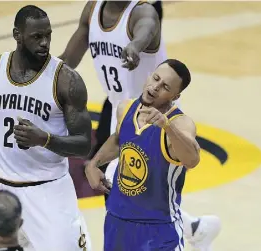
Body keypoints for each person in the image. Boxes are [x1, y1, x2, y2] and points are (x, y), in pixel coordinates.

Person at [60, 1, 220, 250]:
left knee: (129, 184)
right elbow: (68, 58)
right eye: (155, 78)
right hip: (121, 108)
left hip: (157, 115)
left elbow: (146, 29)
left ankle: (190, 229)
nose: (156, 82)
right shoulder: (94, 9)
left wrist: (134, 46)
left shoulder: (143, 12)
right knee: (126, 191)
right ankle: (196, 228)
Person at [0, 5, 92, 251]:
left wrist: (44, 139)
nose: (45, 43)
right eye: (37, 36)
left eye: (48, 35)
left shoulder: (66, 81)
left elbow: (84, 144)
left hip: (48, 189)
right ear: (17, 35)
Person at [86, 59, 198, 250]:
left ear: (175, 95)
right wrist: (93, 164)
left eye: (164, 87)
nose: (154, 87)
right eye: (155, 78)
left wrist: (167, 127)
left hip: (158, 229)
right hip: (117, 220)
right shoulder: (126, 108)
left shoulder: (180, 123)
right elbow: (118, 138)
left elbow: (192, 159)